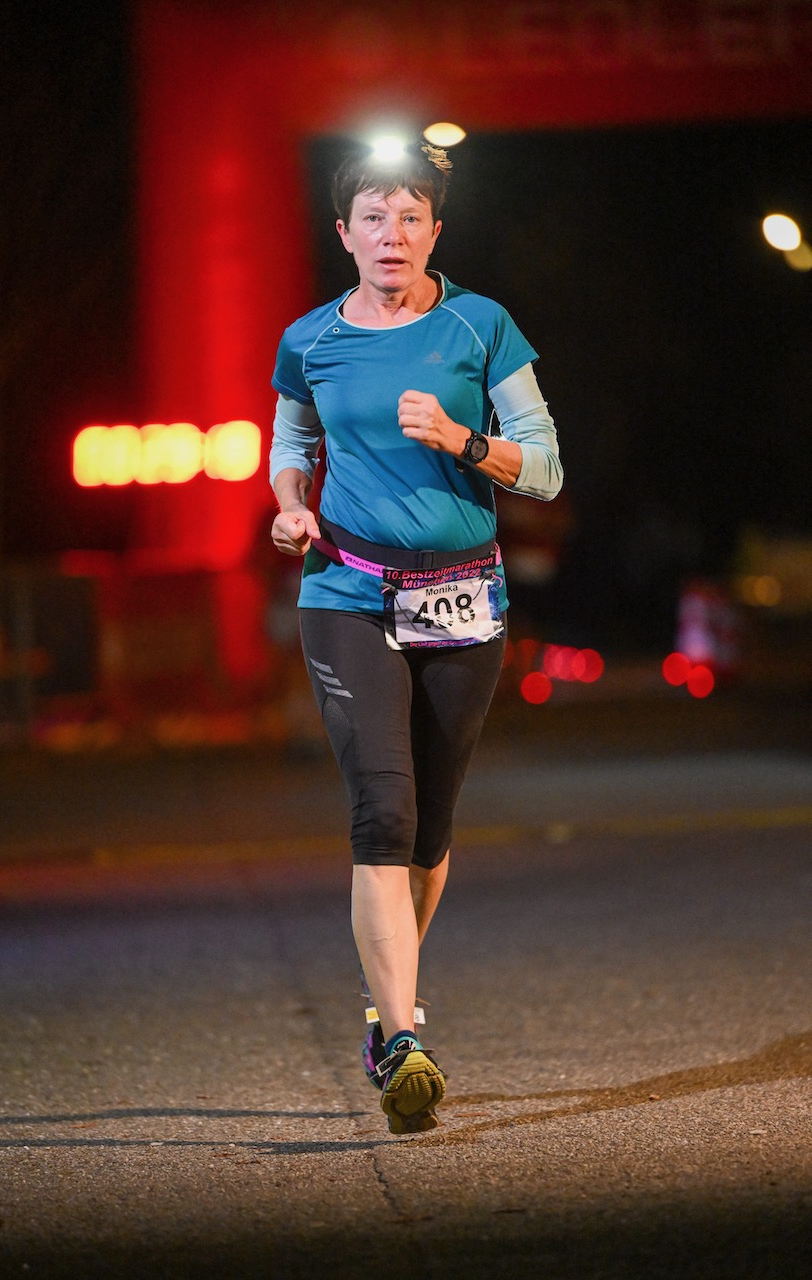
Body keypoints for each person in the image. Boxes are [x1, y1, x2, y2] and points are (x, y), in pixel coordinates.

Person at [269, 139, 563, 1135]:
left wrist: (462, 440)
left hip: (463, 597)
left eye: (409, 215)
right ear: (342, 231)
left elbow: (547, 469)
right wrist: (286, 507)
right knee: (380, 813)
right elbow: (290, 445)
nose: (389, 233)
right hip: (344, 590)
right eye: (370, 215)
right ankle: (400, 1035)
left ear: (434, 230)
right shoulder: (308, 339)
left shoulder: (480, 327)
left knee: (428, 828)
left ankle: (386, 1003)